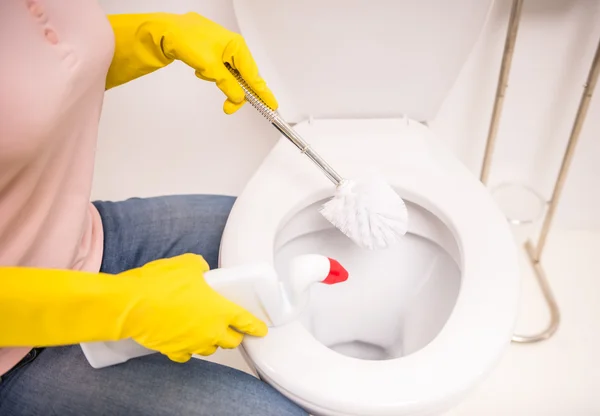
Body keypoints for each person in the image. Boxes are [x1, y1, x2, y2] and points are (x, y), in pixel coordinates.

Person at [0, 2, 307, 415]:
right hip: (13, 352)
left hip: (84, 240)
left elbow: (35, 78)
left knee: (292, 235)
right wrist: (128, 307)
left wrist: (154, 36)